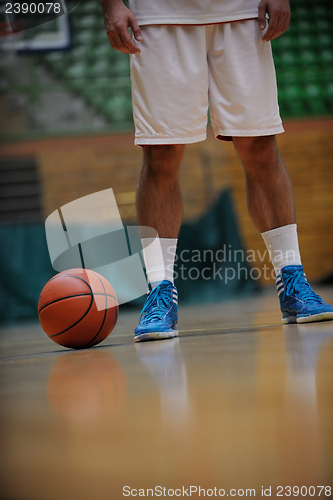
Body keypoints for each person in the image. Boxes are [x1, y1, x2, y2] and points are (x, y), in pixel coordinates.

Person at [100, 0, 333, 342]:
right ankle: (160, 291)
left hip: (242, 10)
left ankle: (292, 279)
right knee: (161, 155)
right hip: (157, 15)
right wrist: (111, 5)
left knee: (260, 147)